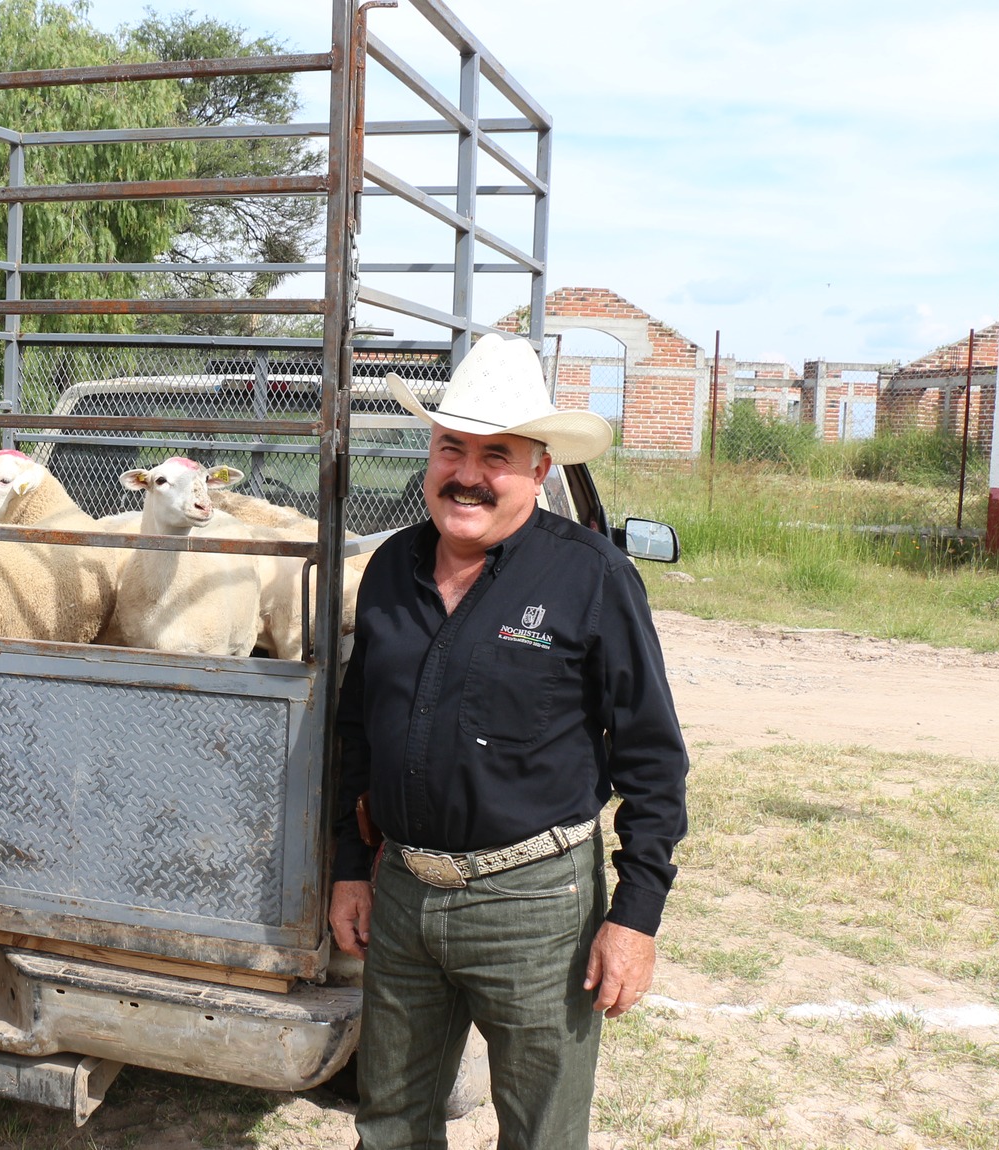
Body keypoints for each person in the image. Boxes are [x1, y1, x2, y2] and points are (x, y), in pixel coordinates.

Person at [328, 333, 689, 1150]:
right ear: (429, 453)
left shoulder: (591, 577)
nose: (467, 474)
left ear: (539, 471)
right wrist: (352, 870)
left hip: (535, 904)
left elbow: (654, 762)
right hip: (404, 892)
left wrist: (635, 918)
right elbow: (357, 735)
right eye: (451, 447)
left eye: (497, 455)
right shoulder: (388, 569)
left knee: (541, 1134)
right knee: (388, 1124)